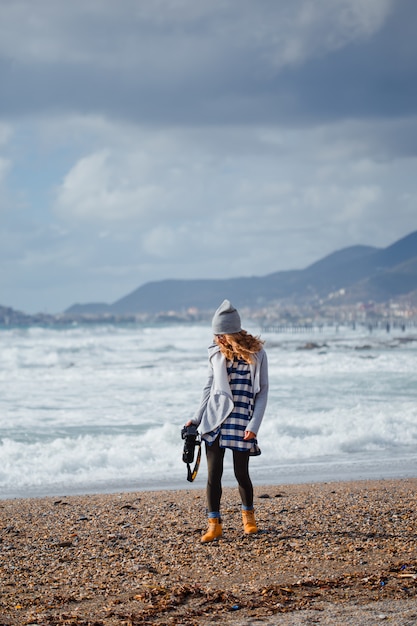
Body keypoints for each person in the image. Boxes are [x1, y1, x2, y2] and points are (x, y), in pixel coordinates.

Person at [185, 299, 268, 543]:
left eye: (219, 334)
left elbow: (263, 391)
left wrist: (254, 426)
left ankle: (249, 520)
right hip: (215, 419)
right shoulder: (215, 353)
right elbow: (208, 387)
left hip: (242, 420)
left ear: (230, 333)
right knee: (214, 475)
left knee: (241, 473)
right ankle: (214, 525)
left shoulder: (258, 354)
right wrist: (196, 417)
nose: (216, 339)